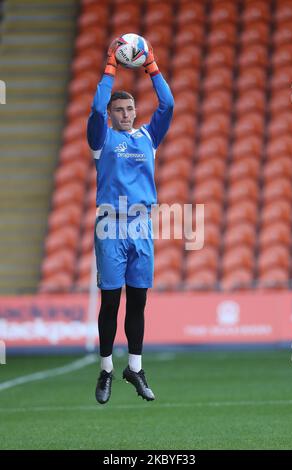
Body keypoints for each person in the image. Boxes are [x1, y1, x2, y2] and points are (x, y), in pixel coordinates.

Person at [87, 38, 174, 405]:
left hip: (141, 226)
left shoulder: (147, 137)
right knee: (110, 302)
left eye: (130, 108)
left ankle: (134, 368)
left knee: (138, 301)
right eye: (119, 110)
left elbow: (167, 104)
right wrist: (111, 66)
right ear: (111, 115)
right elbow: (94, 107)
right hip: (110, 226)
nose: (126, 113)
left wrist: (151, 65)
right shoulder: (101, 138)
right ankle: (106, 369)